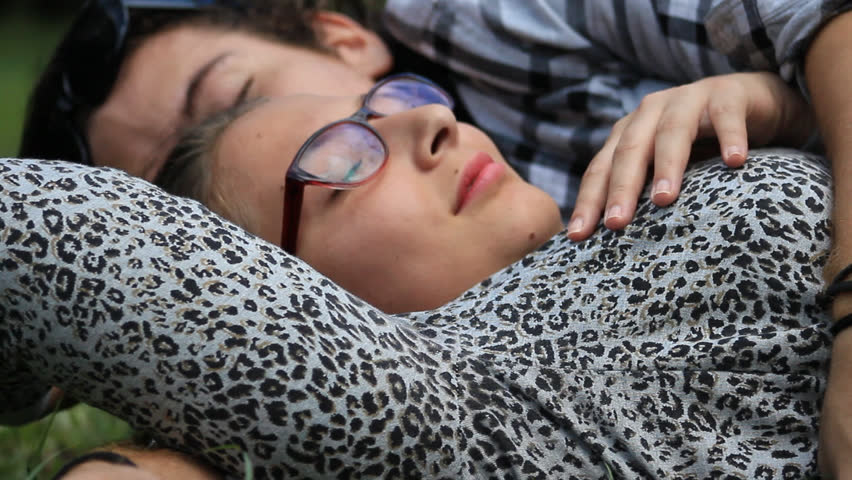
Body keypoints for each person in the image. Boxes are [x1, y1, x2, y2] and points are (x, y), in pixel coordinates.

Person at [7, 0, 852, 476]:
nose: (431, 122)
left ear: (345, 38)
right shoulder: (423, 405)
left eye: (389, 104)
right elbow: (52, 234)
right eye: (342, 156)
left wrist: (785, 109)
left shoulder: (505, 24)